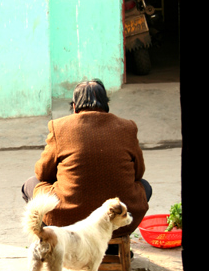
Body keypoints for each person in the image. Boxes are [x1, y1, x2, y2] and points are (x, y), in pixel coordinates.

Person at [22, 79, 151, 246]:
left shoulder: (59, 126)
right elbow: (139, 173)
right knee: (145, 187)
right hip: (118, 218)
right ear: (107, 105)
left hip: (68, 220)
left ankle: (54, 245)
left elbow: (43, 173)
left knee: (30, 185)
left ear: (75, 107)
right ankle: (110, 245)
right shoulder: (128, 127)